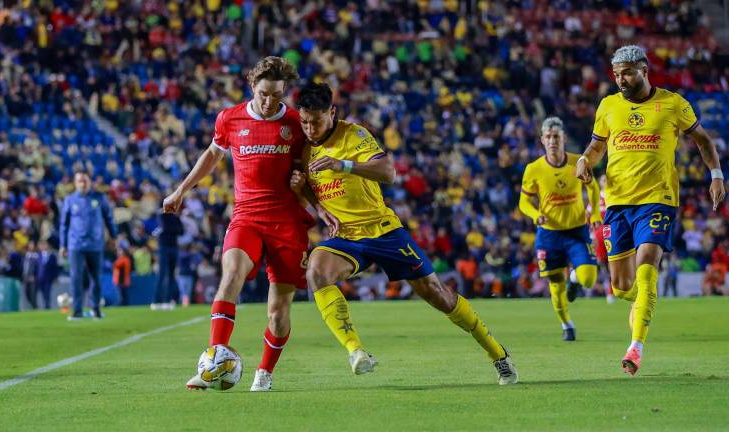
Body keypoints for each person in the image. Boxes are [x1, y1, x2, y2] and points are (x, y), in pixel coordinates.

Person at [290, 82, 518, 385]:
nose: (308, 128)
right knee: (317, 270)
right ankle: (356, 351)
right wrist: (317, 208)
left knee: (436, 294)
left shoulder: (353, 134)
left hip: (383, 230)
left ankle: (497, 354)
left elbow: (388, 173)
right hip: (345, 236)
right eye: (304, 121)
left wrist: (343, 165)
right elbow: (306, 185)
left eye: (315, 121)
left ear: (331, 113)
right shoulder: (303, 148)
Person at [163, 57, 336, 391]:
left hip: (287, 222)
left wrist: (318, 204)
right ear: (252, 87)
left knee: (278, 310)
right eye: (264, 93)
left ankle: (264, 372)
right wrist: (181, 189)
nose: (270, 101)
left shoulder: (295, 123)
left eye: (276, 94)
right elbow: (212, 155)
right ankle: (213, 360)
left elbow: (307, 172)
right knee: (230, 277)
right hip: (246, 217)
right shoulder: (230, 118)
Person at [575, 45, 725, 375]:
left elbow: (703, 141)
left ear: (644, 70)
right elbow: (597, 145)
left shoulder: (673, 104)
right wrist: (585, 160)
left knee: (647, 268)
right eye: (616, 74)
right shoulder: (608, 106)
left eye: (627, 72)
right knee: (623, 286)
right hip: (616, 202)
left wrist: (716, 175)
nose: (621, 79)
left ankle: (635, 348)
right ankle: (645, 302)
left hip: (657, 199)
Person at [519, 117, 601, 341]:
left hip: (576, 231)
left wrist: (594, 213)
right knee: (555, 285)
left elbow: (593, 187)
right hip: (549, 234)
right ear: (542, 140)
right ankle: (567, 325)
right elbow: (523, 202)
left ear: (564, 138)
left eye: (556, 136)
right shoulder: (533, 169)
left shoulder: (577, 163)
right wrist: (535, 214)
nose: (552, 141)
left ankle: (575, 280)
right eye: (548, 137)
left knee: (589, 279)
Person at [59, 170, 118, 321]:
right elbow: (64, 224)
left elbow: (109, 218)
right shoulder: (70, 200)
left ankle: (96, 309)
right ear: (75, 183)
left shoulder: (99, 198)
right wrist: (63, 245)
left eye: (85, 181)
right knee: (76, 278)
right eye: (80, 181)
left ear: (89, 182)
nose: (83, 184)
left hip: (95, 244)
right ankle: (77, 311)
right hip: (75, 245)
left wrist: (114, 236)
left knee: (96, 278)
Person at [152, 211, 183, 310]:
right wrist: (174, 228)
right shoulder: (162, 215)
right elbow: (167, 227)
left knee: (171, 275)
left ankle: (168, 300)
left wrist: (173, 228)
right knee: (162, 274)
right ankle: (157, 301)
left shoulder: (175, 217)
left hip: (173, 247)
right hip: (164, 248)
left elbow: (181, 231)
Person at [35, 241, 59, 309]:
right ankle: (42, 305)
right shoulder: (38, 255)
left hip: (48, 278)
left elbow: (55, 267)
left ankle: (47, 305)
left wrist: (55, 277)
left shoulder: (52, 256)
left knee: (47, 292)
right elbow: (36, 267)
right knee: (41, 293)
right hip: (39, 277)